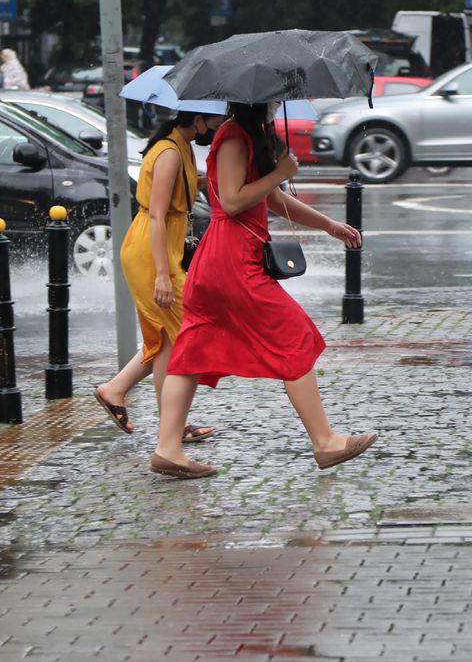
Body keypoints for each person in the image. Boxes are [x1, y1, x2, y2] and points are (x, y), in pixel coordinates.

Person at [148, 102, 376, 479]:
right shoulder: (234, 136)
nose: (276, 105)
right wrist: (281, 173)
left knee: (192, 348)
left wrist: (329, 226)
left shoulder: (253, 135)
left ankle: (168, 449)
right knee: (294, 335)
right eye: (273, 99)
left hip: (221, 258)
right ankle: (325, 441)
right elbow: (235, 201)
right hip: (233, 259)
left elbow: (273, 200)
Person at [94, 102, 228, 444]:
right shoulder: (169, 151)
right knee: (191, 333)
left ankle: (121, 393)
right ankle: (169, 426)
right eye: (215, 122)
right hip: (150, 255)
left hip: (161, 250)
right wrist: (163, 275)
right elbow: (156, 215)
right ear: (198, 121)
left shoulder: (180, 146)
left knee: (169, 339)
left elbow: (184, 190)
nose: (217, 128)